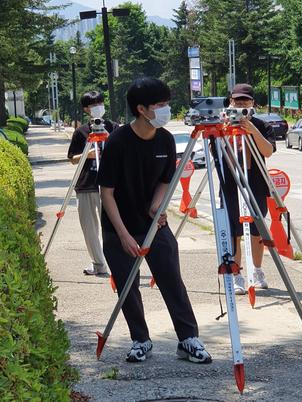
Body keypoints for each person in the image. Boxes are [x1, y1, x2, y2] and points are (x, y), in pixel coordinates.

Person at [97, 77, 212, 364]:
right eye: (159, 105)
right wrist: (122, 235)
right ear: (141, 109)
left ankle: (188, 338)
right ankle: (140, 340)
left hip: (153, 224)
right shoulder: (118, 142)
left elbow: (164, 180)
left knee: (171, 279)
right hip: (119, 226)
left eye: (166, 104)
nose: (166, 110)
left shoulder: (165, 138)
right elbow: (106, 193)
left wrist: (157, 206)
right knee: (127, 286)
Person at [222, 83, 276, 295]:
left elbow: (268, 151)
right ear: (230, 102)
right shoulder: (223, 125)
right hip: (231, 185)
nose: (241, 104)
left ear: (253, 103)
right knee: (234, 230)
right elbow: (217, 154)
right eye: (237, 101)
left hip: (255, 185)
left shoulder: (262, 126)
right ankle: (237, 275)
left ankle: (257, 270)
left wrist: (251, 129)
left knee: (256, 230)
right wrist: (225, 127)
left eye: (245, 101)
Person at [67, 91, 119, 277]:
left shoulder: (113, 128)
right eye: (93, 104)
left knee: (114, 225)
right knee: (90, 228)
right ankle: (99, 264)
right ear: (86, 109)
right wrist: (87, 155)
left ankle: (119, 261)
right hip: (87, 184)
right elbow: (72, 158)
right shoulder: (81, 132)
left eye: (100, 102)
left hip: (111, 186)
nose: (98, 107)